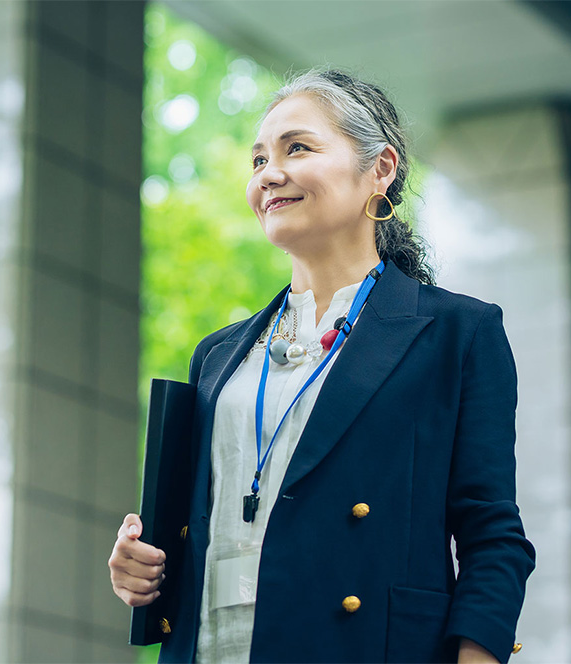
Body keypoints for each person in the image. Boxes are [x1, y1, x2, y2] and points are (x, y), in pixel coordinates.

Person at [109, 67, 535, 664]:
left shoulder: (457, 333)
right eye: (259, 160)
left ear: (380, 168)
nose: (268, 174)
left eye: (297, 148)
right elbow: (198, 531)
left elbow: (493, 535)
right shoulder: (218, 356)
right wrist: (140, 566)